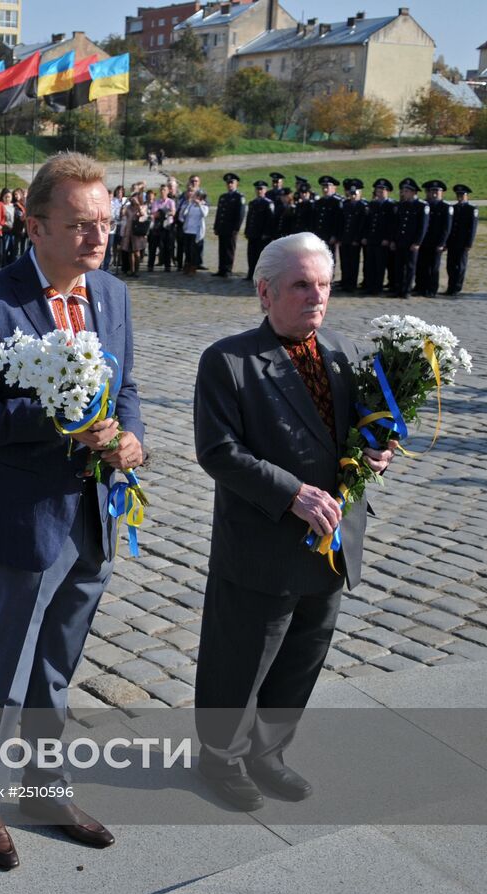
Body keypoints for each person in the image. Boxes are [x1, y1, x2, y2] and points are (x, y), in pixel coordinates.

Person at [0, 151, 145, 870]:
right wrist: (49, 417)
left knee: (58, 665)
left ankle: (45, 788)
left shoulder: (111, 294)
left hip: (94, 515)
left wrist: (131, 437)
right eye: (81, 224)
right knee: (5, 670)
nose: (98, 238)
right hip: (24, 519)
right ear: (36, 226)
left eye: (105, 223)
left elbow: (129, 386)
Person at [193, 232, 393, 811]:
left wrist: (375, 450)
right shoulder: (228, 361)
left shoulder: (344, 350)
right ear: (265, 291)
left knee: (304, 654)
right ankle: (221, 758)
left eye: (324, 285)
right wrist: (292, 494)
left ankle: (269, 753)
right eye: (302, 285)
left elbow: (361, 428)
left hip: (332, 541)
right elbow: (219, 452)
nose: (316, 297)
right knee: (240, 660)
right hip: (263, 543)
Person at [389, 178, 428, 299]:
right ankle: (398, 289)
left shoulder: (422, 206)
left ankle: (407, 290)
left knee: (410, 267)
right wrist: (394, 240)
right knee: (399, 266)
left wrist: (417, 242)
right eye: (403, 191)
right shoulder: (401, 205)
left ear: (413, 192)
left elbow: (423, 227)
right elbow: (396, 224)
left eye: (406, 191)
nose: (403, 193)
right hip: (400, 241)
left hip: (412, 242)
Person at [413, 180, 450, 297]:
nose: (434, 193)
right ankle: (420, 287)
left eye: (437, 191)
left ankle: (432, 289)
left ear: (441, 192)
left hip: (436, 242)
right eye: (432, 191)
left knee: (433, 267)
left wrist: (442, 243)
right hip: (424, 241)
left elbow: (446, 228)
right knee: (421, 265)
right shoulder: (425, 205)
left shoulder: (445, 207)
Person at [360, 178, 395, 294]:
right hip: (371, 239)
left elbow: (391, 224)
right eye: (378, 190)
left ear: (387, 191)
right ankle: (370, 286)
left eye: (382, 190)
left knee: (380, 265)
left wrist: (388, 238)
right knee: (370, 264)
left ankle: (377, 287)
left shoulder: (390, 205)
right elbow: (367, 222)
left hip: (382, 240)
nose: (380, 193)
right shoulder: (372, 204)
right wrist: (365, 236)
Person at [444, 184, 476, 296]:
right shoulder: (453, 208)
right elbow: (449, 227)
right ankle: (450, 286)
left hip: (463, 243)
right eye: (458, 194)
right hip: (452, 241)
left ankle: (457, 287)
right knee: (450, 265)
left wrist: (469, 243)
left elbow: (472, 228)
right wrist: (446, 242)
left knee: (460, 266)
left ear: (467, 196)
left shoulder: (471, 209)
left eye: (462, 194)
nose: (460, 197)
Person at [337, 179, 367, 292]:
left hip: (354, 239)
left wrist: (357, 239)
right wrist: (340, 237)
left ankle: (352, 284)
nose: (353, 196)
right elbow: (341, 222)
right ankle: (345, 282)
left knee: (353, 262)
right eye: (351, 193)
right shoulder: (345, 204)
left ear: (359, 193)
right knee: (344, 262)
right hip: (345, 237)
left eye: (355, 193)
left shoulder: (362, 206)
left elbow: (362, 224)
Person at [213, 173, 246, 277]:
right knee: (221, 248)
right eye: (228, 183)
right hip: (222, 227)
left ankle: (227, 269)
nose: (229, 185)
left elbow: (240, 214)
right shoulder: (223, 197)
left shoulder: (239, 197)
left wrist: (236, 228)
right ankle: (221, 268)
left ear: (236, 183)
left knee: (229, 249)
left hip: (231, 228)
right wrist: (216, 226)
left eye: (231, 182)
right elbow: (219, 213)